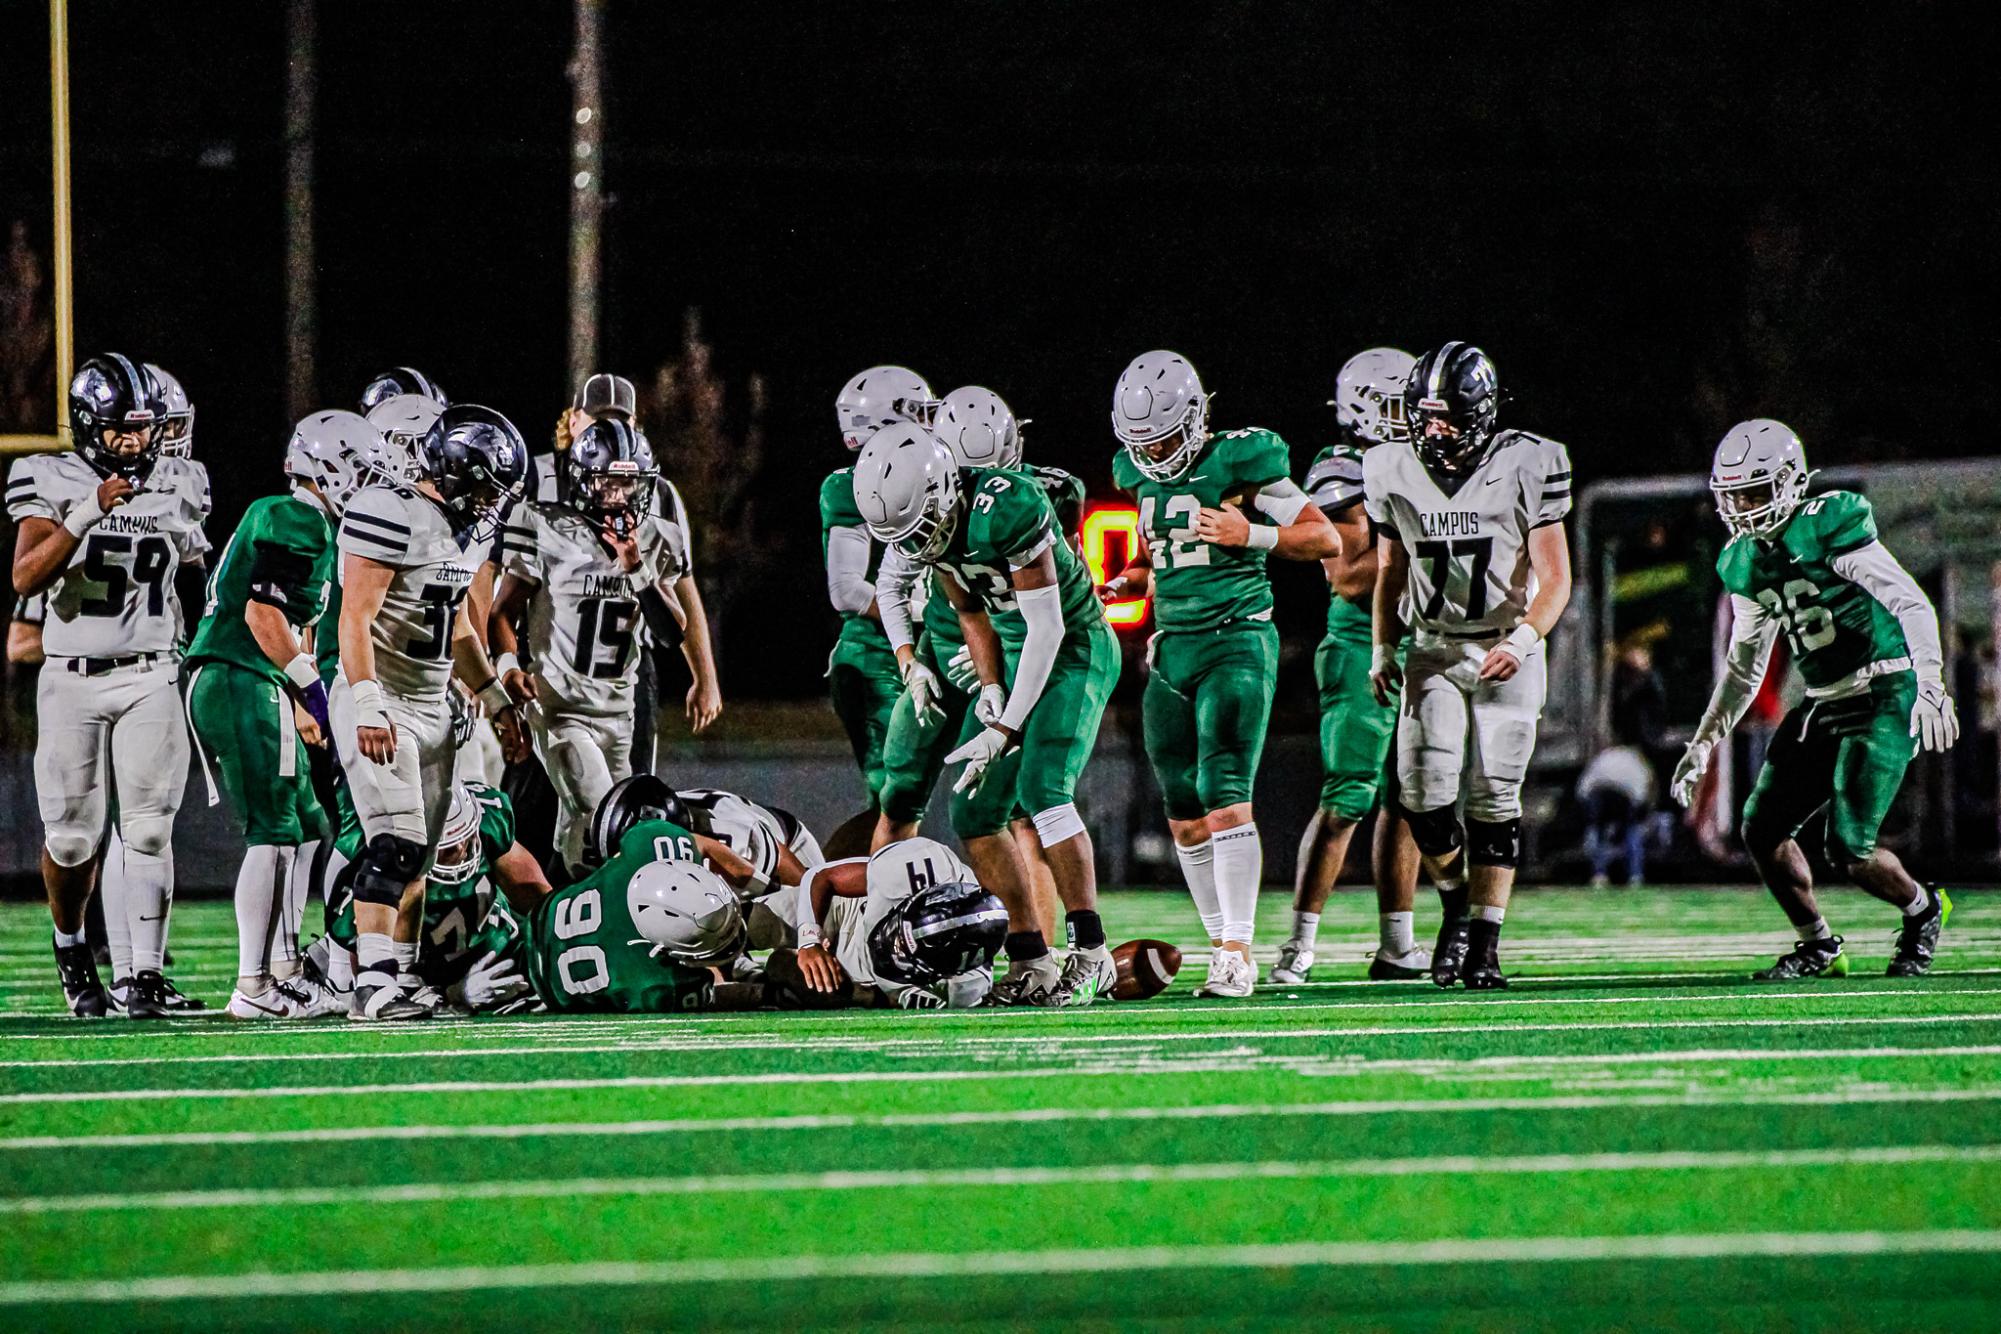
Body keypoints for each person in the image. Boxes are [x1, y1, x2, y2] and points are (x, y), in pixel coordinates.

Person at [1671, 419, 1958, 978]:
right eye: (1733, 495)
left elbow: (1911, 603)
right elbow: (1744, 667)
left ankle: (1922, 910)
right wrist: (1704, 741)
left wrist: (1932, 684)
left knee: (1850, 848)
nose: (1743, 507)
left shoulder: (1827, 525)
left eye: (1755, 491)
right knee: (1761, 827)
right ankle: (1818, 945)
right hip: (1825, 700)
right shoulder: (1743, 560)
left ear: (1791, 481)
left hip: (1882, 690)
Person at [853, 423, 1119, 1006]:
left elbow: (1050, 627)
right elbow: (972, 614)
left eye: (923, 525)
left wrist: (1003, 727)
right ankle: (1032, 958)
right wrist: (993, 687)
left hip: (1075, 647)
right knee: (972, 808)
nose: (918, 541)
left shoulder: (1008, 506)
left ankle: (1092, 953)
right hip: (1014, 645)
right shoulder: (935, 528)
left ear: (945, 490)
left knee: (1045, 788)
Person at [1103, 351, 1338, 999]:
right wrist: (1131, 580)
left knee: (1224, 791)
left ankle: (1237, 950)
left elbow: (1324, 539)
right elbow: (1171, 556)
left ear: (1197, 417)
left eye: (1167, 436)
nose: (1155, 452)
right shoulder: (1135, 473)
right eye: (1143, 441)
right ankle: (1218, 943)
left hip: (1236, 640)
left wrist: (1251, 535)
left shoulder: (1241, 460)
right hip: (1172, 647)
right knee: (1182, 812)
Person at [1365, 343, 1574, 990]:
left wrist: (1524, 639)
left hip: (1503, 646)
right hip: (1431, 645)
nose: (1432, 430)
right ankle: (1455, 903)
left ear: (1480, 413)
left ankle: (1484, 942)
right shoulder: (1386, 466)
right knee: (1420, 796)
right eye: (1424, 416)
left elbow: (1555, 578)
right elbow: (1388, 571)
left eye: (1446, 417)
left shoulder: (1529, 460)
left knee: (1493, 794)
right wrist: (1381, 646)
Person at [8, 355, 210, 1017]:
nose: (135, 441)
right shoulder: (47, 474)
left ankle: (143, 976)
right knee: (70, 838)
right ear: (91, 425)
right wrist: (85, 514)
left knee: (150, 828)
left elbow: (195, 570)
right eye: (121, 429)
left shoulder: (181, 480)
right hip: (73, 678)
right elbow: (26, 577)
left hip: (152, 671)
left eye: (142, 428)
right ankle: (72, 949)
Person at [184, 409, 389, 1018]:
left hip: (251, 675)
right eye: (362, 471)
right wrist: (313, 691)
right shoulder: (296, 518)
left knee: (303, 825)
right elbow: (261, 615)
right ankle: (255, 985)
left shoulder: (307, 521)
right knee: (274, 832)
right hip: (240, 672)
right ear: (330, 467)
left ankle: (282, 967)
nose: (368, 483)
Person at [331, 402, 528, 1019]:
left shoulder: (466, 530)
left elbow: (462, 631)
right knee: (394, 843)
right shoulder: (389, 511)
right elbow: (355, 617)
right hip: (382, 697)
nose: (492, 503)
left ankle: (405, 974)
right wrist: (366, 704)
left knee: (426, 853)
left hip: (436, 703)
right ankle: (371, 981)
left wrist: (495, 699)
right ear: (454, 471)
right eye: (487, 488)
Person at [871, 385, 1077, 943]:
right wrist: (912, 661)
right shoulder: (917, 498)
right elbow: (892, 586)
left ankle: (1037, 950)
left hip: (1014, 656)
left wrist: (995, 678)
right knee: (899, 792)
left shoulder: (1041, 495)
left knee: (1013, 811)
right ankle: (880, 935)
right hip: (943, 658)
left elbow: (1051, 606)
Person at [1276, 347, 1434, 984]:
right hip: (1356, 645)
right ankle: (1298, 945)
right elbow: (1345, 576)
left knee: (1411, 798)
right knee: (1347, 798)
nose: (1412, 416)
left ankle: (1398, 945)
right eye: (1400, 404)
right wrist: (1432, 560)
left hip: (1423, 645)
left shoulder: (1422, 461)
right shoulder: (1341, 468)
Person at [490, 417, 701, 873]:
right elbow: (502, 612)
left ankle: (563, 919)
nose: (617, 494)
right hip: (560, 706)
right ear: (584, 480)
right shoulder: (546, 527)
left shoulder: (654, 537)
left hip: (619, 712)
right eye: (607, 481)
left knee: (592, 827)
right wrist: (508, 666)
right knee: (605, 816)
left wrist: (637, 569)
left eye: (628, 483)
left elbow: (671, 632)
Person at [821, 366, 937, 857]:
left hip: (916, 654)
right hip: (875, 659)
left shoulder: (930, 472)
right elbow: (847, 590)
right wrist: (920, 608)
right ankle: (829, 899)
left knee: (901, 801)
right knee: (895, 798)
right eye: (917, 413)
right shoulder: (849, 487)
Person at [784, 836, 1008, 1010]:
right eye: (901, 936)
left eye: (906, 951)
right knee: (759, 922)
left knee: (809, 987)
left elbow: (899, 999)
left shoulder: (964, 988)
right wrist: (809, 941)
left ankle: (760, 983)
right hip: (849, 911)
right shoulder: (922, 865)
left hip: (862, 977)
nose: (894, 947)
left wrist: (870, 995)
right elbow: (822, 877)